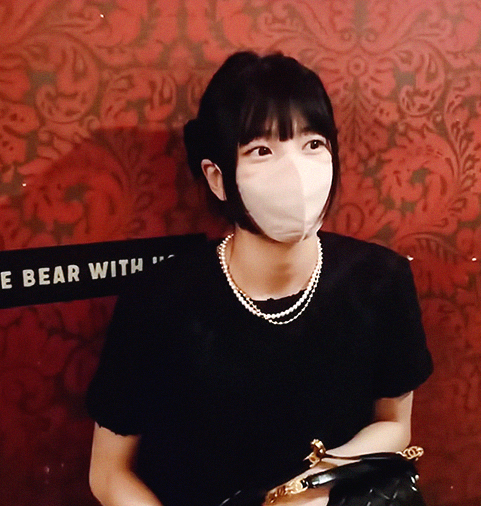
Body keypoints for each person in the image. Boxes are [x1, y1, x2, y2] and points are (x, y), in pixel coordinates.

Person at [85, 51, 433, 506]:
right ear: (217, 178)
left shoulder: (380, 279)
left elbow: (394, 425)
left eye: (313, 144)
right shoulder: (159, 301)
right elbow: (109, 474)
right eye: (262, 150)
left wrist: (303, 491)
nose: (297, 171)